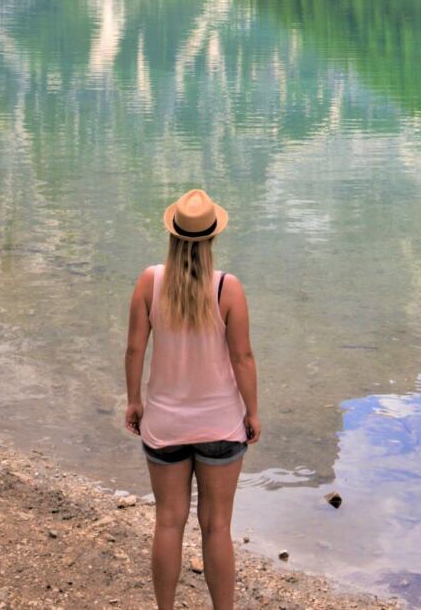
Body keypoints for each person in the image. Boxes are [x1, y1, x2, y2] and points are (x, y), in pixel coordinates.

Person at [125, 189, 260, 610]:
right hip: (221, 425)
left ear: (173, 235)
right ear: (212, 238)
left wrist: (134, 402)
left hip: (165, 426)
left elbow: (134, 350)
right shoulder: (227, 288)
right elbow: (243, 357)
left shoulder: (150, 281)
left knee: (168, 522)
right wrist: (252, 412)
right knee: (217, 527)